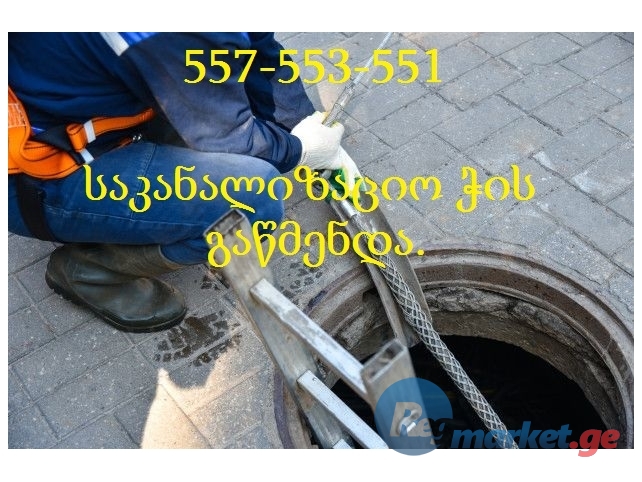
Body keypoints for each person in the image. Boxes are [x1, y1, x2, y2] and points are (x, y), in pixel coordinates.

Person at [8, 32, 360, 333]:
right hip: (37, 178)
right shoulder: (157, 30)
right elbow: (230, 137)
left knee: (227, 113)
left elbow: (258, 50)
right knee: (255, 198)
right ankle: (90, 269)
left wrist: (299, 121)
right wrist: (300, 151)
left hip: (78, 110)